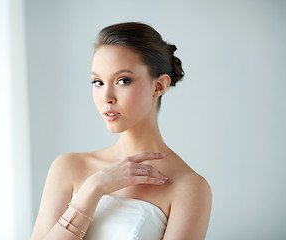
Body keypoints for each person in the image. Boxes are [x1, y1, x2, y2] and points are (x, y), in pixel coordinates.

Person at [31, 22, 212, 240]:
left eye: (122, 80)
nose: (106, 97)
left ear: (159, 86)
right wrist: (94, 188)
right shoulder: (68, 167)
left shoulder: (188, 187)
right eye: (97, 82)